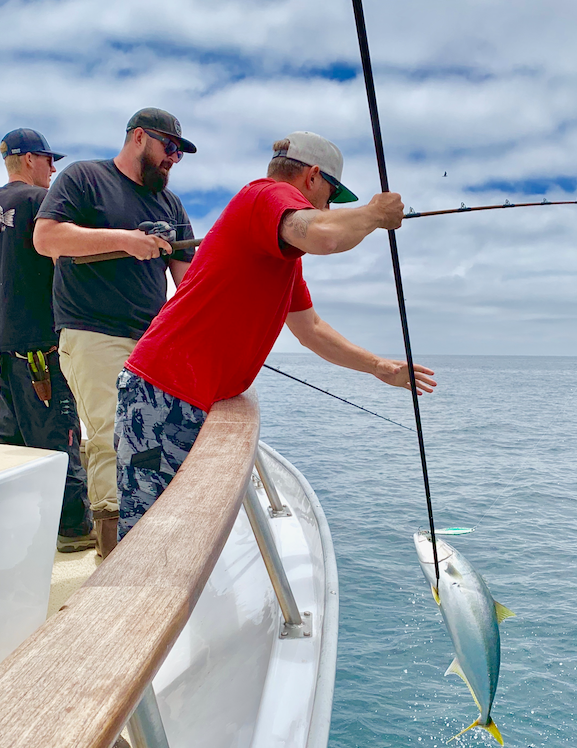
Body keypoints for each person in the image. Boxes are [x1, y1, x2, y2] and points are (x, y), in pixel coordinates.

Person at [115, 131, 437, 536]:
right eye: (331, 197)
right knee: (148, 533)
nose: (327, 207)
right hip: (162, 391)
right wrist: (374, 213)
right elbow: (325, 234)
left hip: (188, 396)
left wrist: (379, 368)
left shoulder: (280, 254)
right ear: (313, 177)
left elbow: (312, 330)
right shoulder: (264, 195)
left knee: (177, 529)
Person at [33, 108, 197, 559]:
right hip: (91, 332)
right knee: (110, 434)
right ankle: (114, 558)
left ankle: (148, 537)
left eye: (180, 153)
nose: (175, 159)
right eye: (171, 148)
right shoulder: (84, 178)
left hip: (150, 341)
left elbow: (190, 282)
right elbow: (46, 239)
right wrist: (125, 240)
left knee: (153, 436)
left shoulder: (171, 205)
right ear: (140, 137)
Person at [0, 128, 93, 552]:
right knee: (58, 442)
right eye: (48, 160)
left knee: (10, 446)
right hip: (37, 351)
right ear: (29, 159)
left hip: (3, 351)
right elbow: (72, 259)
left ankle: (20, 533)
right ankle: (73, 529)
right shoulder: (40, 204)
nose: (54, 170)